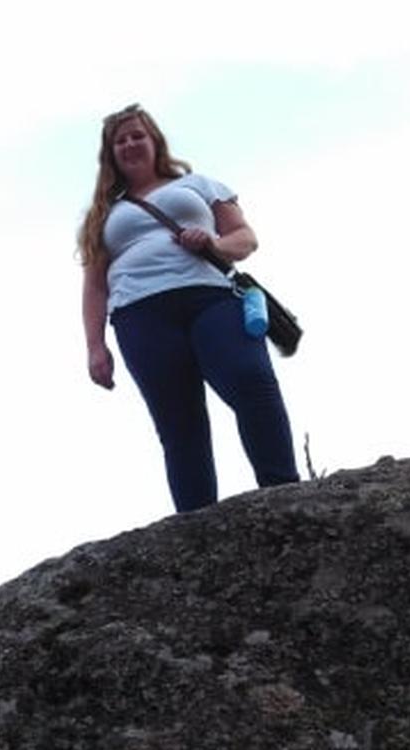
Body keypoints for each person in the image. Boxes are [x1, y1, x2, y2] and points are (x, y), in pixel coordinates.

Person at [77, 103, 298, 513]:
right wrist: (95, 345)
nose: (130, 145)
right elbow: (94, 286)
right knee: (179, 424)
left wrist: (213, 244)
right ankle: (196, 523)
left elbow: (244, 238)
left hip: (210, 297)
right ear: (111, 155)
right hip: (139, 314)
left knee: (251, 382)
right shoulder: (103, 215)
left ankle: (284, 494)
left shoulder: (199, 185)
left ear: (154, 140)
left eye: (137, 136)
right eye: (120, 141)